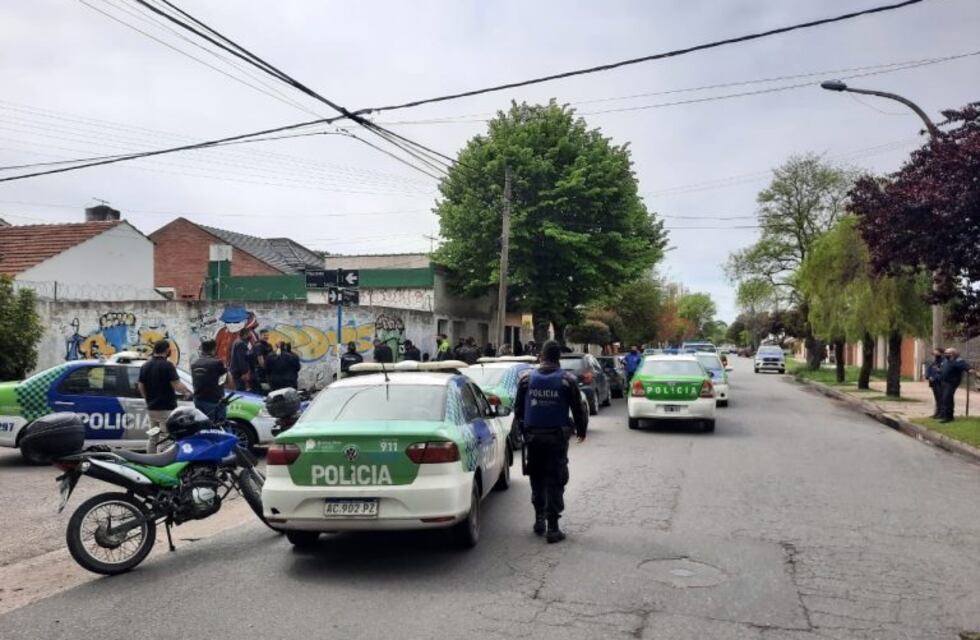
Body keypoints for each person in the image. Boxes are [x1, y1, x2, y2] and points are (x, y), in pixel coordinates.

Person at [513, 340, 588, 543]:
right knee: (555, 480)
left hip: (533, 439)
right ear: (558, 358)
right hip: (556, 439)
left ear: (541, 356)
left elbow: (518, 410)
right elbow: (578, 409)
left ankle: (539, 519)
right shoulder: (567, 380)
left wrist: (522, 433)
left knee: (536, 478)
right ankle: (552, 527)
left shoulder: (526, 379)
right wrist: (581, 431)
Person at [139, 340, 191, 453]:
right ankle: (162, 463)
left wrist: (147, 399)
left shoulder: (145, 366)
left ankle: (150, 461)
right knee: (166, 438)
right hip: (166, 410)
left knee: (153, 437)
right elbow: (176, 385)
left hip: (152, 410)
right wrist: (187, 392)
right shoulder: (168, 366)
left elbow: (141, 386)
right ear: (167, 350)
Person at [190, 339, 227, 423]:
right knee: (220, 425)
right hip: (214, 400)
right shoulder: (217, 363)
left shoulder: (194, 363)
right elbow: (224, 380)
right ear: (214, 349)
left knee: (202, 424)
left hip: (198, 399)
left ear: (202, 348)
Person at [938, 348, 975, 423]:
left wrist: (970, 370)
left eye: (947, 353)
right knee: (945, 399)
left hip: (951, 383)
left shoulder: (958, 361)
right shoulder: (946, 361)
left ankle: (948, 418)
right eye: (945, 353)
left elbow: (966, 366)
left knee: (947, 398)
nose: (945, 354)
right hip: (943, 382)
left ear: (952, 354)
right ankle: (946, 415)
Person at [249, 329, 274, 394]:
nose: (266, 337)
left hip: (268, 373)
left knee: (268, 390)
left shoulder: (269, 345)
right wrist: (266, 369)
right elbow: (260, 360)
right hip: (261, 373)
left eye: (267, 335)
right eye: (264, 335)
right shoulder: (258, 345)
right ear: (260, 336)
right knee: (263, 391)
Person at [925, 348, 945, 418]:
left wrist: (934, 378)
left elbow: (941, 372)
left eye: (937, 353)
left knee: (940, 398)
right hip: (933, 383)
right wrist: (928, 376)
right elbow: (929, 370)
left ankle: (941, 413)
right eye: (934, 353)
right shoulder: (933, 362)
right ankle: (937, 413)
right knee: (937, 399)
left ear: (941, 353)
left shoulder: (943, 362)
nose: (935, 354)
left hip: (939, 383)